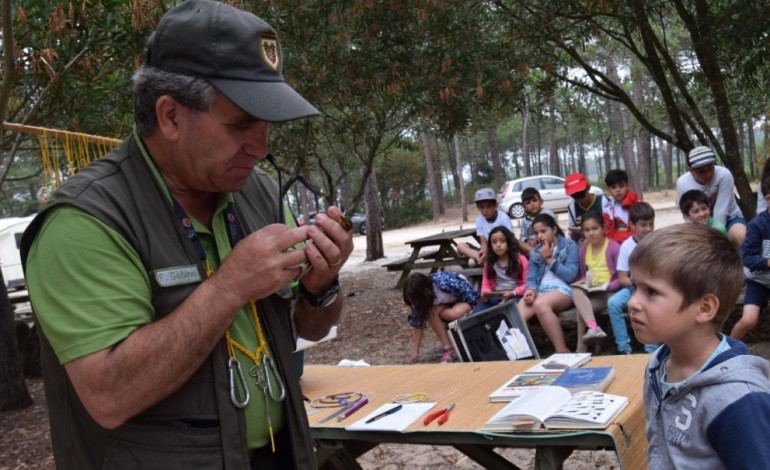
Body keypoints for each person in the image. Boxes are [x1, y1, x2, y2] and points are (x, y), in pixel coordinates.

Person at [21, 2, 353, 469]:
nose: (261, 148)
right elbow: (110, 396)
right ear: (170, 116)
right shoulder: (84, 222)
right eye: (241, 124)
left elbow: (308, 328)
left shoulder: (256, 193)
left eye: (266, 124)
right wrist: (229, 287)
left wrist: (322, 285)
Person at [628, 224, 770, 468]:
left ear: (704, 308)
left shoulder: (736, 400)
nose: (633, 302)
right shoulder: (658, 365)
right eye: (635, 287)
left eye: (651, 292)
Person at [517, 213, 579, 353]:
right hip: (541, 290)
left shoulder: (569, 246)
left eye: (543, 231)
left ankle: (562, 350)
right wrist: (531, 290)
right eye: (536, 233)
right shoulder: (536, 252)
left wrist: (550, 260)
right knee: (517, 314)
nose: (539, 236)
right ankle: (524, 355)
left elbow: (571, 275)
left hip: (563, 290)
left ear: (554, 229)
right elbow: (532, 278)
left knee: (540, 304)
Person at [606, 202, 658, 354]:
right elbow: (623, 278)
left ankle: (651, 348)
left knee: (648, 304)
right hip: (634, 289)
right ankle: (624, 348)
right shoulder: (627, 246)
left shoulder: (658, 242)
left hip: (655, 289)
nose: (648, 229)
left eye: (651, 224)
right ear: (632, 225)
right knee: (613, 303)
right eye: (643, 225)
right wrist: (638, 284)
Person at [676, 145, 746, 246]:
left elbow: (721, 209)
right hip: (698, 221)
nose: (708, 174)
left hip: (730, 217)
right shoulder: (682, 183)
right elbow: (688, 212)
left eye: (710, 168)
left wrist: (713, 235)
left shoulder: (724, 175)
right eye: (701, 171)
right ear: (691, 170)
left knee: (741, 235)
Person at [572, 211, 621, 353]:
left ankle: (581, 348)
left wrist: (607, 286)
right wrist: (583, 283)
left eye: (595, 228)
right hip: (592, 291)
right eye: (587, 230)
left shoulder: (613, 247)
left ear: (603, 228)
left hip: (609, 293)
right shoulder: (584, 250)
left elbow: (622, 278)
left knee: (581, 310)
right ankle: (594, 328)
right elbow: (583, 275)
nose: (591, 233)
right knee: (575, 289)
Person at [404, 271, 479, 364]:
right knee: (430, 312)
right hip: (444, 305)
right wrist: (415, 351)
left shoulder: (442, 282)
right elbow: (418, 323)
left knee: (453, 314)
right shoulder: (421, 301)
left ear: (425, 291)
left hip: (462, 300)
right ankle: (448, 347)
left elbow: (466, 289)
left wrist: (475, 307)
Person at [731, 176, 770, 339]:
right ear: (768, 199)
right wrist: (767, 262)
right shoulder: (757, 225)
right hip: (759, 280)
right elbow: (747, 258)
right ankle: (726, 349)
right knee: (748, 320)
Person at [474, 226, 529, 312]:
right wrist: (486, 294)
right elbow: (486, 284)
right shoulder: (489, 263)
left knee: (506, 311)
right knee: (477, 312)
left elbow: (528, 284)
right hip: (496, 296)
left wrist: (513, 293)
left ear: (509, 242)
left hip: (516, 296)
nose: (498, 245)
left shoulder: (521, 260)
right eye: (494, 242)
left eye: (502, 241)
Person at [457, 188, 514, 265]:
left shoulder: (503, 218)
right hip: (489, 250)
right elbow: (483, 242)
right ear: (478, 208)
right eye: (482, 207)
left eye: (489, 206)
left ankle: (484, 261)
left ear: (495, 205)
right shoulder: (479, 220)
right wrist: (483, 251)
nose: (486, 210)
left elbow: (509, 239)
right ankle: (481, 258)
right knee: (460, 246)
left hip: (502, 249)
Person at [565, 172, 609, 242]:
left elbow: (610, 226)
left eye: (581, 194)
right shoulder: (572, 207)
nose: (579, 198)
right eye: (575, 196)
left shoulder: (603, 201)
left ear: (588, 188)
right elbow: (572, 228)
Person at [602, 169, 640, 244]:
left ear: (627, 186)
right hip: (618, 244)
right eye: (613, 187)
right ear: (608, 189)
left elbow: (641, 226)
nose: (618, 190)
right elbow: (609, 233)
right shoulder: (607, 210)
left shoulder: (636, 203)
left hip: (638, 242)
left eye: (621, 186)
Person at [518, 187, 555, 256]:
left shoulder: (548, 213)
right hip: (532, 248)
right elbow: (522, 237)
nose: (532, 204)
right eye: (528, 203)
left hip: (549, 244)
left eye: (535, 201)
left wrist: (539, 240)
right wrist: (528, 241)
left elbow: (555, 231)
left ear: (541, 201)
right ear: (524, 206)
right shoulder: (525, 220)